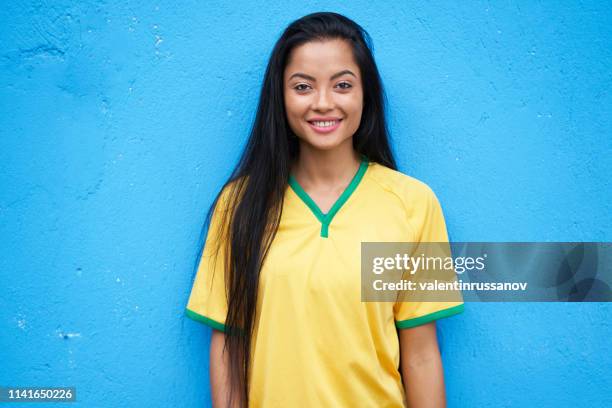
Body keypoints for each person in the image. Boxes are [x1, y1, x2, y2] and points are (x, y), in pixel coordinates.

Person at [185, 12, 464, 408]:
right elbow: (228, 346)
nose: (323, 103)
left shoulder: (414, 203)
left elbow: (420, 354)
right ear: (279, 97)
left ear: (365, 93)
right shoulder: (239, 205)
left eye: (343, 85)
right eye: (302, 86)